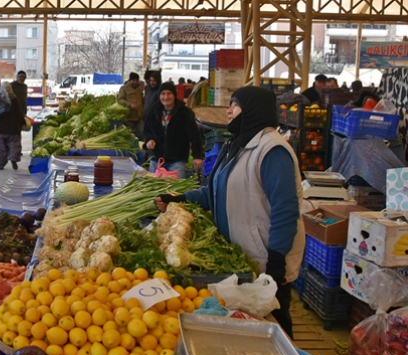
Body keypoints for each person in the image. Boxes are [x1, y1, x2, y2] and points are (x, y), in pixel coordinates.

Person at [154, 86, 304, 338]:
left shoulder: (272, 151)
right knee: (250, 332)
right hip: (243, 257)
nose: (228, 111)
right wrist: (179, 198)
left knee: (274, 326)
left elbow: (285, 209)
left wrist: (276, 261)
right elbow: (215, 192)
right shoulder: (236, 145)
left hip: (265, 260)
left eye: (234, 105)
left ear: (253, 110)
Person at [143, 82, 204, 178]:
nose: (166, 97)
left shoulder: (185, 113)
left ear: (174, 95)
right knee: (155, 191)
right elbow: (146, 130)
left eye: (169, 93)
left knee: (175, 192)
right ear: (159, 95)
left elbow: (195, 136)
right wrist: (148, 140)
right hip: (157, 160)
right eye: (163, 94)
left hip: (177, 161)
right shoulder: (152, 111)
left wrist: (197, 156)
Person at [0, 81, 25, 170]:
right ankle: (13, 158)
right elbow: (19, 113)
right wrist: (22, 123)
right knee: (14, 144)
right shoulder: (14, 99)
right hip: (13, 128)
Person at [118, 72, 145, 138]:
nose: (135, 82)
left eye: (136, 80)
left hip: (139, 116)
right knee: (129, 135)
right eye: (133, 80)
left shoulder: (140, 88)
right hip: (129, 118)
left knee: (141, 133)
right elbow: (120, 99)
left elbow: (142, 100)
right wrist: (129, 105)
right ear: (130, 80)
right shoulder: (124, 88)